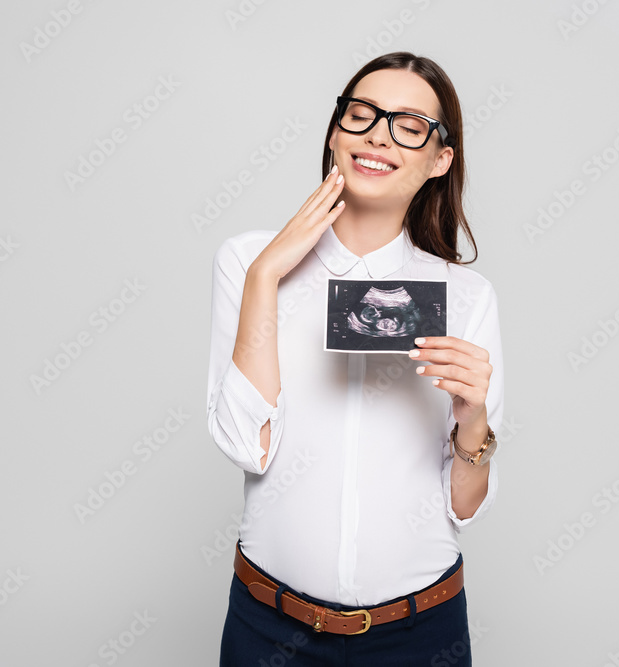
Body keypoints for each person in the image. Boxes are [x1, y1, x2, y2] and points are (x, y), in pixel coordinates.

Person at [206, 51, 504, 666]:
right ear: (336, 132)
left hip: (419, 633)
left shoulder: (466, 296)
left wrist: (473, 419)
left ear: (439, 159)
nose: (377, 136)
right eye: (361, 115)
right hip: (270, 627)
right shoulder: (248, 261)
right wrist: (266, 276)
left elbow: (465, 506)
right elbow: (247, 445)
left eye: (410, 125)